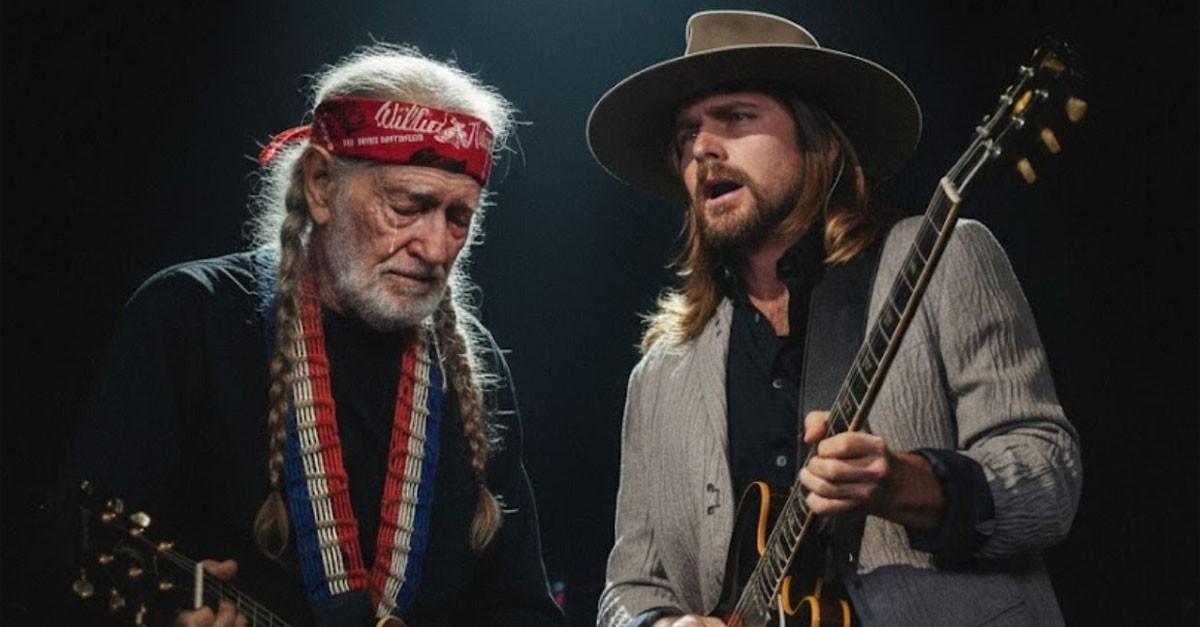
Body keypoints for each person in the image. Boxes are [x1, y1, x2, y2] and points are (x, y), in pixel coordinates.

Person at [42, 42, 566, 627]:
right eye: (407, 206)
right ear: (320, 185)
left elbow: (523, 607)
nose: (436, 247)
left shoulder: (472, 369)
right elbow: (66, 563)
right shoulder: (189, 319)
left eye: (458, 216)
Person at [586, 10, 1082, 627]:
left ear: (816, 137)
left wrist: (911, 484)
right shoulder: (660, 375)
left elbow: (1049, 479)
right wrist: (658, 624)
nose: (702, 148)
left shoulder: (943, 260)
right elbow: (628, 586)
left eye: (736, 117)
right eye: (687, 134)